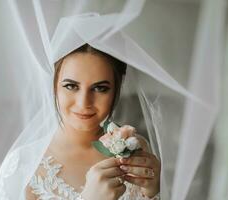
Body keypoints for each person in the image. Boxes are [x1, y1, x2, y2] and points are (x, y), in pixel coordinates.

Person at [25, 44, 160, 200]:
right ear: (54, 86)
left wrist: (153, 193)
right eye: (71, 86)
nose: (84, 103)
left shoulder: (137, 148)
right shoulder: (24, 165)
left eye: (100, 88)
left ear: (117, 88)